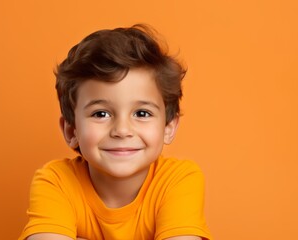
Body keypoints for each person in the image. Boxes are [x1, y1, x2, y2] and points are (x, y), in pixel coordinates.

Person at [19, 24, 212, 240]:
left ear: (168, 127)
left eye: (141, 113)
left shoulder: (179, 179)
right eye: (101, 114)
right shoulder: (56, 181)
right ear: (71, 130)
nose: (122, 130)